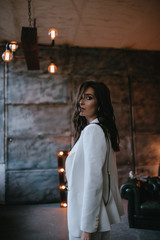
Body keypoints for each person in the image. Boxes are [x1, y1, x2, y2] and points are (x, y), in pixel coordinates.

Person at [65, 81, 124, 240]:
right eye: (81, 98)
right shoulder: (97, 130)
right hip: (89, 215)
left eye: (89, 98)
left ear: (100, 105)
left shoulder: (93, 131)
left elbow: (94, 181)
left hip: (86, 219)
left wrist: (87, 228)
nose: (81, 102)